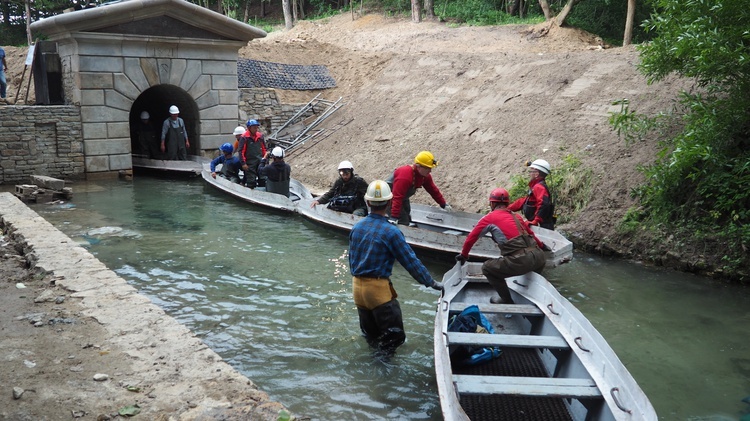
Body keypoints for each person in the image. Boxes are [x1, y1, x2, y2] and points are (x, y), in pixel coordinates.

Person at [348, 180, 443, 355]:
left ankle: (372, 371)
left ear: (367, 202)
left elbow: (351, 260)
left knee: (372, 337)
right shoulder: (391, 232)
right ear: (389, 202)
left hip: (357, 291)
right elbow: (411, 263)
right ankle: (382, 371)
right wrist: (432, 283)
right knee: (395, 337)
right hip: (377, 292)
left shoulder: (357, 227)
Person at [455, 188, 547, 304]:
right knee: (525, 268)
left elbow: (471, 238)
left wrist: (464, 255)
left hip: (521, 260)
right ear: (507, 203)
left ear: (492, 203)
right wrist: (542, 246)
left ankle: (506, 300)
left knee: (487, 268)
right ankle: (529, 293)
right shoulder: (516, 216)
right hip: (539, 257)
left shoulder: (490, 218)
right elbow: (531, 234)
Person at [386, 150, 452, 226]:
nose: (430, 171)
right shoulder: (405, 176)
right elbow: (397, 197)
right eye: (427, 168)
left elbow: (433, 190)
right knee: (402, 221)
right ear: (418, 166)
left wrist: (443, 203)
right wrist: (394, 217)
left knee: (407, 215)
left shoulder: (424, 176)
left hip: (401, 197)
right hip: (389, 197)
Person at [508, 159, 556, 230]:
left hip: (542, 226)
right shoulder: (535, 186)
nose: (529, 173)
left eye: (531, 171)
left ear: (536, 174)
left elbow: (544, 204)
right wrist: (508, 208)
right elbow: (525, 201)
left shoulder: (539, 187)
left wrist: (535, 221)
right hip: (541, 224)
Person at [237, 119, 266, 188]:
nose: (256, 129)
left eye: (256, 127)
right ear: (249, 128)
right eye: (254, 127)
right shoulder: (244, 138)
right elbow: (241, 151)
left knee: (263, 179)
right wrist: (243, 163)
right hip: (250, 163)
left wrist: (265, 160)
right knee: (251, 181)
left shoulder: (260, 136)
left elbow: (264, 149)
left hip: (260, 161)